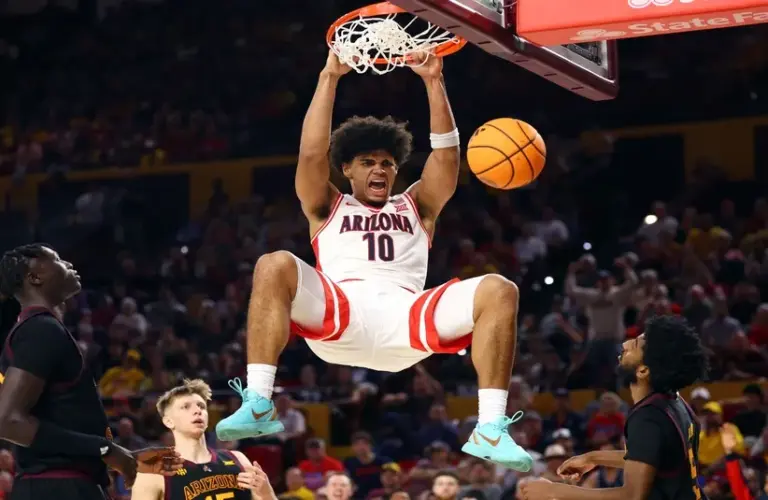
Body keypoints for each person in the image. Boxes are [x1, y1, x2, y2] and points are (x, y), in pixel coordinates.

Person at [215, 50, 531, 471]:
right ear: (346, 168)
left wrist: (434, 82)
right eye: (367, 162)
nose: (379, 169)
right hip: (342, 315)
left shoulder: (418, 205)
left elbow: (446, 160)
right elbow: (310, 156)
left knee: (499, 289)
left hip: (406, 319)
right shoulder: (328, 205)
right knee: (274, 264)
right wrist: (329, 75)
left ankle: (490, 427)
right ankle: (258, 401)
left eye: (387, 162)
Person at [0, 244, 182, 500]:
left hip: (60, 485)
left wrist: (124, 456)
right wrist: (104, 449)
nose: (68, 263)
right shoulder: (40, 329)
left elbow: (61, 424)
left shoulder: (41, 329)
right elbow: (7, 420)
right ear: (35, 276)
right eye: (57, 259)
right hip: (56, 488)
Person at [519, 315, 710, 500]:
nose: (625, 344)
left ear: (643, 370)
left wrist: (554, 492)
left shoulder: (648, 417)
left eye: (634, 345)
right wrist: (593, 459)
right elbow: (649, 459)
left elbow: (632, 496)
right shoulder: (676, 403)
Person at [131, 378, 275, 500]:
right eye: (185, 407)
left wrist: (267, 493)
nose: (197, 411)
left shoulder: (238, 459)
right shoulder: (153, 473)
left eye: (201, 406)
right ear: (168, 421)